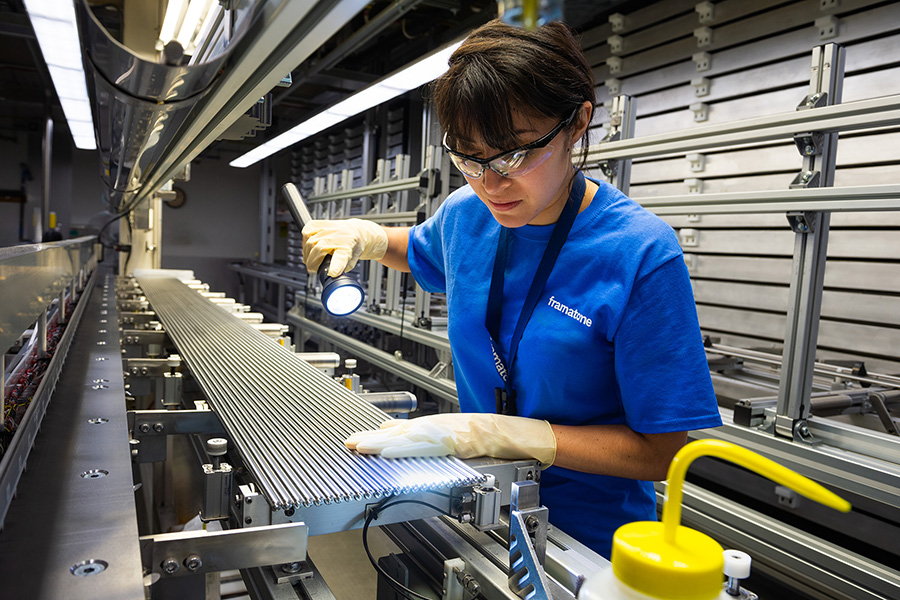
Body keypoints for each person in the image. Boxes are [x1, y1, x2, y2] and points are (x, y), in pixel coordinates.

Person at [301, 18, 722, 559]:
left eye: (515, 154)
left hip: (589, 543)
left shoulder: (639, 253)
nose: (491, 183)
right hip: (477, 513)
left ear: (577, 123)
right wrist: (369, 237)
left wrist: (508, 436)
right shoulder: (467, 215)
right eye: (468, 158)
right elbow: (427, 251)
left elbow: (661, 452)